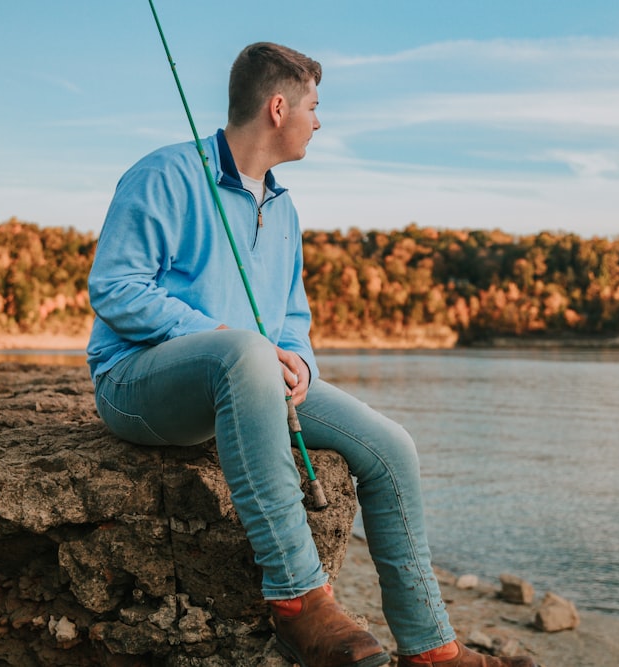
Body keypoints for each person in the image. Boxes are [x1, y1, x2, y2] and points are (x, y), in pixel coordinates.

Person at [87, 42, 537, 667]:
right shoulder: (164, 175)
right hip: (136, 384)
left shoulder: (284, 205)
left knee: (391, 448)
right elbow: (115, 288)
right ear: (278, 108)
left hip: (253, 381)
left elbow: (290, 319)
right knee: (242, 352)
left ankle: (431, 649)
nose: (319, 122)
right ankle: (299, 603)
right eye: (314, 107)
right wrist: (220, 335)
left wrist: (298, 365)